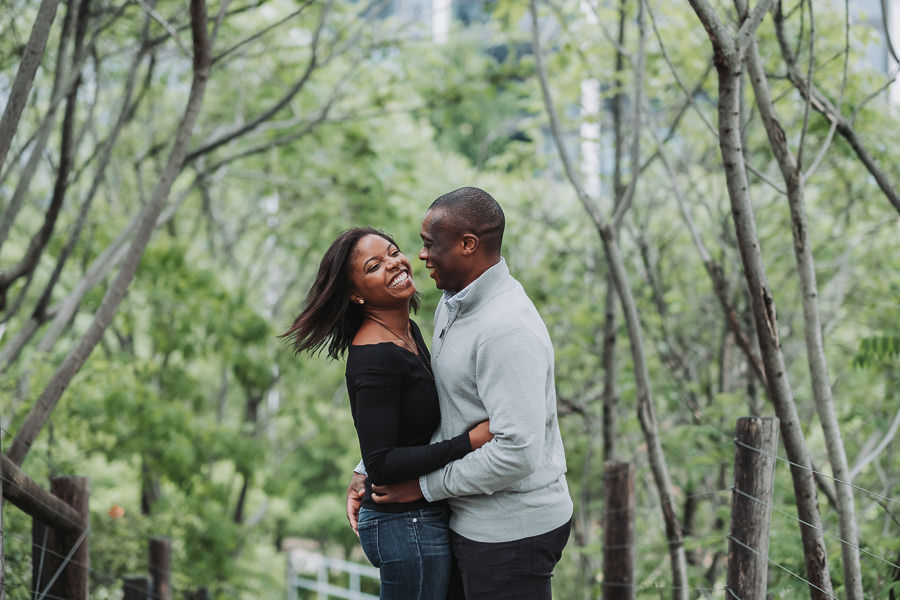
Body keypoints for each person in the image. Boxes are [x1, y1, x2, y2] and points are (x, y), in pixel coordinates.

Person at [347, 188, 573, 599]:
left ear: (468, 245)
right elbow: (440, 402)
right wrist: (372, 462)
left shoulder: (507, 329)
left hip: (510, 532)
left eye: (430, 245)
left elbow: (516, 452)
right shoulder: (452, 304)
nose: (420, 256)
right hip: (467, 519)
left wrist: (424, 486)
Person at [282, 227, 494, 600]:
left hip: (417, 518)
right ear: (356, 294)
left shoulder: (405, 330)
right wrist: (469, 442)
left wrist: (361, 468)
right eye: (374, 266)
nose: (395, 264)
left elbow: (396, 432)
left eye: (393, 252)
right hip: (404, 524)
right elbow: (383, 463)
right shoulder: (375, 357)